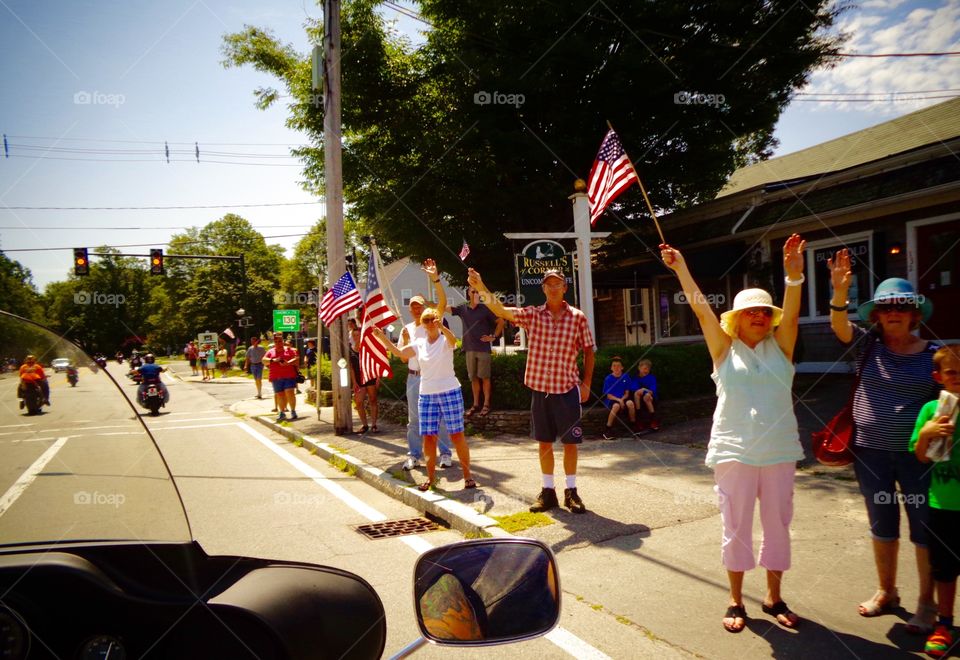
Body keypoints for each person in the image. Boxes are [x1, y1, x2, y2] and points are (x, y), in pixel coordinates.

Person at [661, 234, 806, 632]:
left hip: (778, 451)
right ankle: (736, 600)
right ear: (736, 319)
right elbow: (702, 310)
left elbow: (791, 317)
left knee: (778, 525)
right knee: (736, 526)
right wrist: (681, 269)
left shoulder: (783, 347)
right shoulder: (724, 350)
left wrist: (794, 278)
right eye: (749, 312)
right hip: (732, 451)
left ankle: (774, 597)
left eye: (764, 311)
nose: (758, 316)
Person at [828, 252, 941, 633]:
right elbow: (840, 327)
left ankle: (927, 604)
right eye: (886, 307)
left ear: (913, 314)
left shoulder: (933, 356)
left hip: (919, 458)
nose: (893, 312)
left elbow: (948, 408)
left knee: (924, 528)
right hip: (870, 452)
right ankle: (887, 591)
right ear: (877, 315)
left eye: (901, 307)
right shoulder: (867, 345)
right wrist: (841, 290)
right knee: (882, 523)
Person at [468, 267, 594, 515]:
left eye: (558, 283)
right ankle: (548, 492)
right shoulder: (533, 315)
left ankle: (572, 492)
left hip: (567, 389)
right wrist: (481, 287)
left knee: (570, 443)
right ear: (543, 289)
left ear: (565, 287)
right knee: (544, 443)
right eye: (549, 284)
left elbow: (589, 351)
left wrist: (586, 383)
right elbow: (501, 311)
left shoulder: (578, 317)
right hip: (540, 390)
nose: (553, 287)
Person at [373, 306, 475, 491]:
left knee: (457, 435)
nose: (429, 323)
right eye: (426, 320)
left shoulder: (445, 340)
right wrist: (381, 337)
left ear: (438, 321)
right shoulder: (419, 343)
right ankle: (430, 478)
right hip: (427, 393)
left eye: (432, 319)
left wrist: (442, 327)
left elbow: (454, 341)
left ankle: (467, 476)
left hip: (449, 390)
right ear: (422, 324)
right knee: (428, 437)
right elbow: (399, 353)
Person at [910, 344, 960, 657]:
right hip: (943, 504)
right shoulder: (932, 410)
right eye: (952, 372)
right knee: (944, 569)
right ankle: (945, 623)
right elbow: (920, 455)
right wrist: (928, 432)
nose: (958, 378)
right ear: (938, 376)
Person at [399, 260, 454, 471]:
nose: (416, 308)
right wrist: (403, 339)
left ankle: (445, 454)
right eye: (413, 306)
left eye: (419, 305)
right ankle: (414, 455)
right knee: (414, 420)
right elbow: (403, 358)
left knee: (439, 418)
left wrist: (435, 278)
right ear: (410, 309)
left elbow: (442, 300)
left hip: (433, 378)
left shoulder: (432, 321)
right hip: (414, 377)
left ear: (424, 308)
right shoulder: (406, 329)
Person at [449, 286, 504, 417]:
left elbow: (501, 321)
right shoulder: (463, 309)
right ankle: (475, 404)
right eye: (473, 292)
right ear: (468, 293)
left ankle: (486, 405)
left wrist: (493, 337)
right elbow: (444, 308)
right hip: (469, 349)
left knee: (485, 377)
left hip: (483, 349)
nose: (475, 294)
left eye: (478, 292)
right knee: (473, 378)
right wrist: (428, 303)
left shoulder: (485, 309)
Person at [348, 318, 380, 433]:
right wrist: (354, 382)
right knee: (359, 402)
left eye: (358, 335)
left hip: (370, 377)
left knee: (373, 400)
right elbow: (351, 368)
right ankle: (364, 425)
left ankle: (374, 425)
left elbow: (376, 363)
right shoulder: (350, 350)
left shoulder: (369, 348)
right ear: (352, 336)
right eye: (354, 335)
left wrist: (377, 378)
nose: (357, 337)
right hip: (358, 379)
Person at [265, 332, 299, 421]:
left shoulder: (289, 350)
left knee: (289, 392)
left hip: (289, 375)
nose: (278, 343)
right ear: (274, 342)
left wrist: (288, 362)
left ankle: (293, 411)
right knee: (280, 395)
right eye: (276, 341)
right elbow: (263, 360)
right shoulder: (270, 351)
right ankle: (282, 412)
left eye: (280, 341)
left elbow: (296, 359)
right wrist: (273, 360)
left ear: (282, 341)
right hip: (276, 377)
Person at [601, 356, 636, 439]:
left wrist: (622, 399)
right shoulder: (608, 379)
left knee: (630, 403)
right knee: (616, 406)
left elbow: (627, 393)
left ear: (622, 367)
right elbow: (609, 395)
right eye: (614, 366)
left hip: (623, 397)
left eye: (618, 366)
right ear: (611, 368)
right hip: (612, 399)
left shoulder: (625, 376)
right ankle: (607, 430)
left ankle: (633, 427)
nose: (616, 368)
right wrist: (619, 401)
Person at [632, 359, 660, 432]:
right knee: (636, 393)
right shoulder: (636, 378)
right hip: (639, 400)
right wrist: (641, 390)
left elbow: (652, 391)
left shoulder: (651, 378)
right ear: (639, 368)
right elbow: (634, 389)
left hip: (651, 398)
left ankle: (654, 420)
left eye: (648, 369)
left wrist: (644, 390)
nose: (646, 370)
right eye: (644, 368)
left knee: (646, 396)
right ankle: (639, 419)